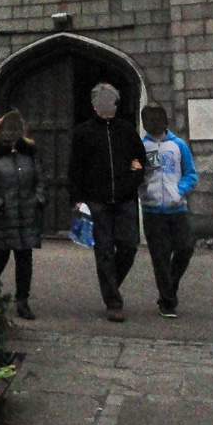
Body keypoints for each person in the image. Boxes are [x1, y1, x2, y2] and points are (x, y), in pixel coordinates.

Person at [68, 81, 145, 322]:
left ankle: (111, 284)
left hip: (124, 199)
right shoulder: (83, 132)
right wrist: (77, 198)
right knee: (104, 251)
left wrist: (132, 180)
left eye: (110, 98)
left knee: (129, 246)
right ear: (93, 104)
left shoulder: (126, 130)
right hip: (97, 199)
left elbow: (139, 159)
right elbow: (75, 168)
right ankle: (113, 301)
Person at [0, 110, 47, 320]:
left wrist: (37, 199)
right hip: (2, 217)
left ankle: (22, 301)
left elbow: (40, 180)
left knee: (25, 257)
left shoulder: (29, 153)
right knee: (1, 255)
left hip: (26, 214)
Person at [139, 103, 198, 318]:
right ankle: (167, 300)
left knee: (185, 248)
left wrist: (180, 191)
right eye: (148, 120)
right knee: (160, 257)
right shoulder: (141, 147)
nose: (152, 123)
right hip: (152, 210)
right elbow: (136, 173)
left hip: (177, 209)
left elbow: (190, 173)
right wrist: (144, 192)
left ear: (165, 121)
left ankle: (170, 287)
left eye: (156, 119)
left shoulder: (178, 145)